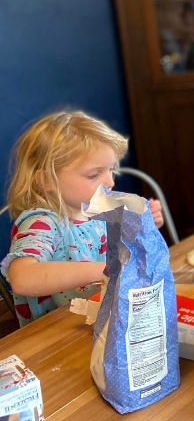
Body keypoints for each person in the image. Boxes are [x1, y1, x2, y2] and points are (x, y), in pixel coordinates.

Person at [2, 111, 164, 326]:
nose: (110, 182)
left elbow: (128, 244)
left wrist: (146, 223)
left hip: (100, 318)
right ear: (47, 180)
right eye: (94, 174)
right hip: (57, 335)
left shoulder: (96, 206)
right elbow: (22, 278)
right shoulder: (42, 223)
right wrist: (103, 269)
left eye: (111, 170)